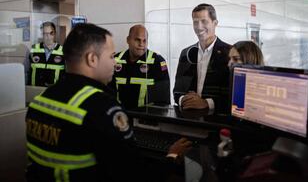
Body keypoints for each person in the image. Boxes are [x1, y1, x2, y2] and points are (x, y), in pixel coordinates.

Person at [25, 23, 191, 182]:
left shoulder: (40, 101)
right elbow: (136, 176)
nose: (115, 62)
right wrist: (172, 156)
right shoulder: (102, 109)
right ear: (92, 59)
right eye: (111, 56)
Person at [173, 3, 231, 113]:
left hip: (217, 119)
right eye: (195, 22)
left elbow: (232, 96)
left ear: (215, 23)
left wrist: (206, 103)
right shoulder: (186, 53)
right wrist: (184, 100)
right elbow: (177, 91)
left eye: (204, 21)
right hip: (188, 116)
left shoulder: (229, 53)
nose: (199, 27)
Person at [109, 25, 170, 110]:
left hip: (145, 119)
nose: (141, 44)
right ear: (128, 40)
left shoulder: (157, 61)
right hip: (119, 117)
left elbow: (163, 100)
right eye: (137, 40)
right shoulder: (114, 60)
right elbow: (107, 93)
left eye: (144, 41)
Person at [25, 21, 65, 86]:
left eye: (50, 33)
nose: (48, 36)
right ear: (42, 34)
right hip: (33, 90)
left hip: (54, 92)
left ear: (54, 34)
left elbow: (66, 75)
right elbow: (26, 72)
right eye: (45, 33)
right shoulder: (33, 49)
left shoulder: (63, 51)